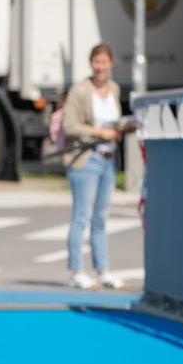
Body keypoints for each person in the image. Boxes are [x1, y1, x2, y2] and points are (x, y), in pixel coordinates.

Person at [61, 43, 126, 290]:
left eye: (104, 62)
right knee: (81, 216)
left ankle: (102, 270)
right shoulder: (80, 90)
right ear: (91, 63)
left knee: (100, 218)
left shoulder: (114, 89)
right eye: (96, 62)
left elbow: (114, 121)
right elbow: (70, 126)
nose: (100, 67)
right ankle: (76, 270)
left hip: (108, 159)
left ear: (111, 64)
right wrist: (99, 132)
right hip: (86, 159)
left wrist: (119, 130)